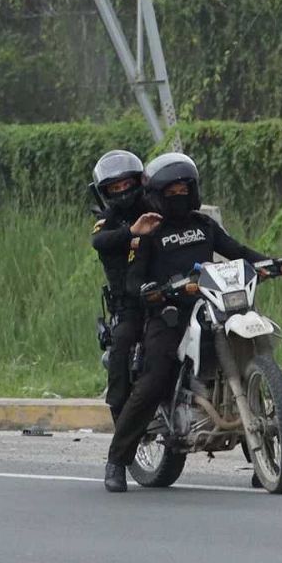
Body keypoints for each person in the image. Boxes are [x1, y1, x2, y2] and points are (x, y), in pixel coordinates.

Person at [103, 153, 282, 492]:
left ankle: (262, 459)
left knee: (247, 362)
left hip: (213, 307)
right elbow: (133, 280)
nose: (178, 195)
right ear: (157, 194)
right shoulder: (149, 229)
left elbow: (237, 250)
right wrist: (153, 291)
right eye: (170, 190)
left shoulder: (204, 226)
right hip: (169, 314)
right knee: (156, 378)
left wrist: (271, 263)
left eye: (183, 189)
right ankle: (117, 459)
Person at [89, 150, 158, 422]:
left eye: (126, 185)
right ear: (106, 192)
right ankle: (120, 415)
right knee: (122, 341)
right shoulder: (108, 220)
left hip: (165, 292)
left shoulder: (155, 206)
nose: (123, 192)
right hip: (129, 303)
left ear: (138, 182)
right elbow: (99, 241)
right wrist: (132, 232)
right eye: (115, 188)